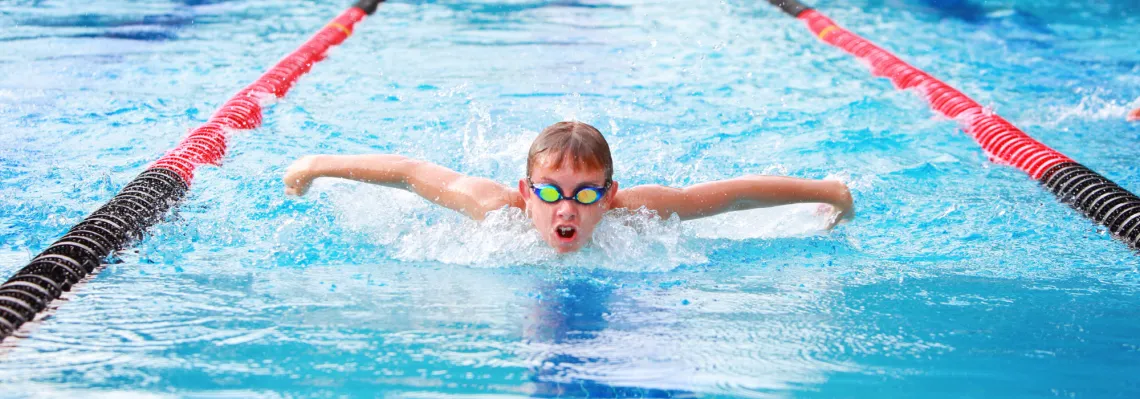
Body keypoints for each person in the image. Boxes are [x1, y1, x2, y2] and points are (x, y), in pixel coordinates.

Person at [282, 121, 854, 253]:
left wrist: (828, 191)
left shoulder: (638, 213)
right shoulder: (491, 208)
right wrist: (315, 164)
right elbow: (408, 172)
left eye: (585, 193)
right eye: (552, 191)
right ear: (527, 191)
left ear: (608, 194)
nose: (569, 207)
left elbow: (734, 195)